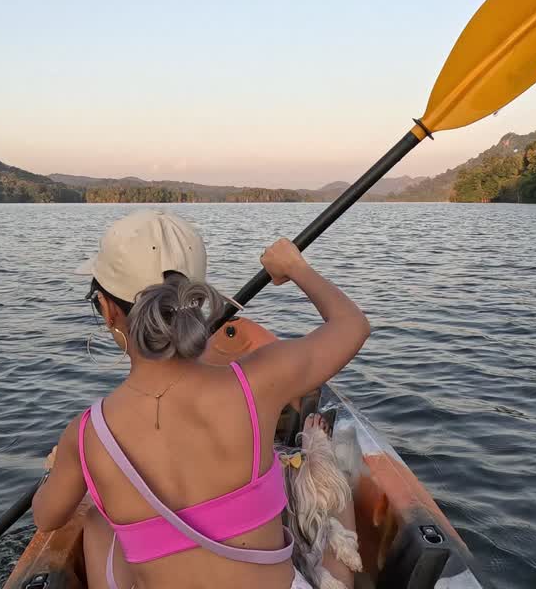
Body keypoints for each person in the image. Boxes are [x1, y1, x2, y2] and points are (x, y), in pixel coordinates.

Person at [32, 209, 369, 589]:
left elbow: (46, 517)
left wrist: (61, 468)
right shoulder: (259, 381)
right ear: (195, 300)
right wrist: (295, 267)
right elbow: (352, 325)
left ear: (108, 311)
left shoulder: (88, 436)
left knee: (98, 519)